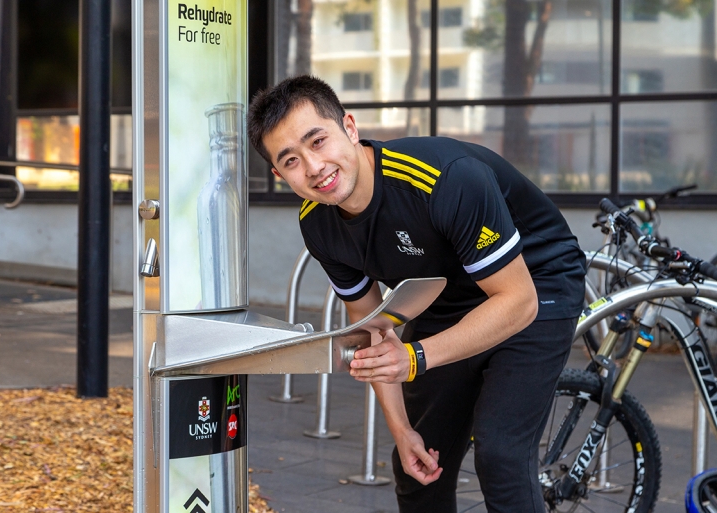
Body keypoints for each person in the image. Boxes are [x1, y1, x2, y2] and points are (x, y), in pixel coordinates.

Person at [247, 75, 586, 513]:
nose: (313, 167)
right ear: (277, 174)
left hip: (535, 283)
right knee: (418, 466)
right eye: (291, 160)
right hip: (449, 297)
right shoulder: (318, 222)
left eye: (318, 141)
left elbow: (517, 302)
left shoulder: (445, 179)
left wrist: (415, 356)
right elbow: (372, 329)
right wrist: (403, 430)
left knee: (501, 455)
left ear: (350, 128)